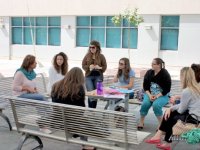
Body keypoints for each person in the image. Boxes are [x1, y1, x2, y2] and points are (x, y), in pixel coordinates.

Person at [145, 67, 200, 150]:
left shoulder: (187, 91)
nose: (180, 78)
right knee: (170, 114)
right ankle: (162, 139)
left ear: (184, 77)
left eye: (180, 76)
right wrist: (171, 108)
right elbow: (185, 105)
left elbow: (181, 109)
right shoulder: (196, 87)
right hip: (196, 115)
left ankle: (162, 140)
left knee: (171, 116)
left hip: (193, 118)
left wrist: (170, 108)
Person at [51, 67, 95, 150]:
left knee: (80, 119)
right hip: (72, 122)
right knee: (84, 120)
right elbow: (82, 109)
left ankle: (80, 138)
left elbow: (54, 104)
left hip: (57, 119)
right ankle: (85, 145)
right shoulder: (79, 88)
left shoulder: (55, 85)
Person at [138, 58, 171, 130]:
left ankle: (161, 124)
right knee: (145, 104)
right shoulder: (149, 72)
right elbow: (145, 86)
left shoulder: (165, 74)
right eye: (151, 63)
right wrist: (150, 95)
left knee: (156, 105)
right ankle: (141, 121)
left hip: (162, 95)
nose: (151, 65)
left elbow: (167, 89)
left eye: (153, 64)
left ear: (159, 65)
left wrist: (156, 96)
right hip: (150, 94)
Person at [82, 40, 107, 108]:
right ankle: (91, 109)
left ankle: (93, 109)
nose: (91, 49)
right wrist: (89, 67)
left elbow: (105, 67)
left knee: (97, 93)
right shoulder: (87, 55)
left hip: (98, 77)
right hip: (88, 77)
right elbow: (83, 65)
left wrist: (99, 67)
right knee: (90, 93)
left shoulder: (101, 56)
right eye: (90, 47)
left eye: (93, 47)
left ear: (97, 48)